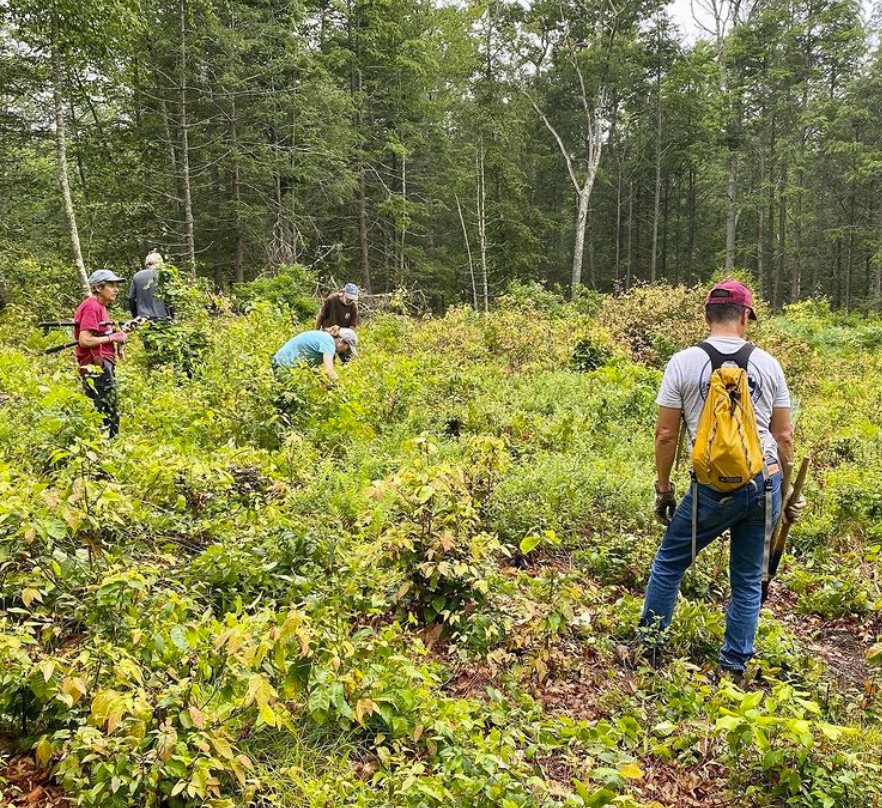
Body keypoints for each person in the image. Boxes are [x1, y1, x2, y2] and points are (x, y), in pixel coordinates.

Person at [639, 279, 805, 679]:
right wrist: (783, 494)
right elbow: (783, 436)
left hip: (710, 487)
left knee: (669, 563)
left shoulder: (682, 361)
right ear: (746, 317)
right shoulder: (768, 364)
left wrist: (664, 489)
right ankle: (733, 667)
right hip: (762, 481)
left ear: (706, 315)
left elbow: (666, 434)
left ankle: (651, 649)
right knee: (748, 578)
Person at [74, 270, 129, 437]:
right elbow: (85, 340)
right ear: (99, 287)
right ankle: (104, 444)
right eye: (111, 285)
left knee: (110, 404)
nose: (115, 289)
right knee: (102, 406)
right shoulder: (92, 306)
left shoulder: (100, 307)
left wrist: (119, 336)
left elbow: (102, 335)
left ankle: (110, 442)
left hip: (104, 362)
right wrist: (113, 336)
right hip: (95, 364)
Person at [272, 328, 357, 382]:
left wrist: (323, 381)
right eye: (348, 349)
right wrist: (341, 387)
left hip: (281, 363)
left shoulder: (325, 338)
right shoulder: (329, 342)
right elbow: (329, 371)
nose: (346, 352)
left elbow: (312, 368)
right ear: (341, 341)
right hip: (286, 366)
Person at [127, 251, 170, 320]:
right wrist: (172, 316)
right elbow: (169, 299)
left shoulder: (137, 276)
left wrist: (135, 316)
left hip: (142, 318)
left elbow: (131, 298)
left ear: (146, 263)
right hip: (162, 317)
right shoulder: (164, 275)